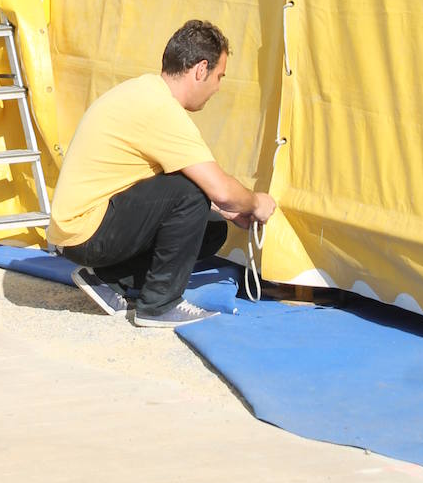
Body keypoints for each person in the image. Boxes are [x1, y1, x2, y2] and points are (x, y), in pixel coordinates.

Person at [48, 19, 277, 328]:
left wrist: (225, 209)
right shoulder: (160, 109)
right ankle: (159, 305)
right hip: (86, 233)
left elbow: (156, 185)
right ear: (201, 69)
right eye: (219, 76)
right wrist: (256, 203)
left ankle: (107, 278)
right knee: (192, 195)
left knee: (211, 228)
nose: (218, 87)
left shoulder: (144, 91)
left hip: (79, 229)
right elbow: (220, 189)